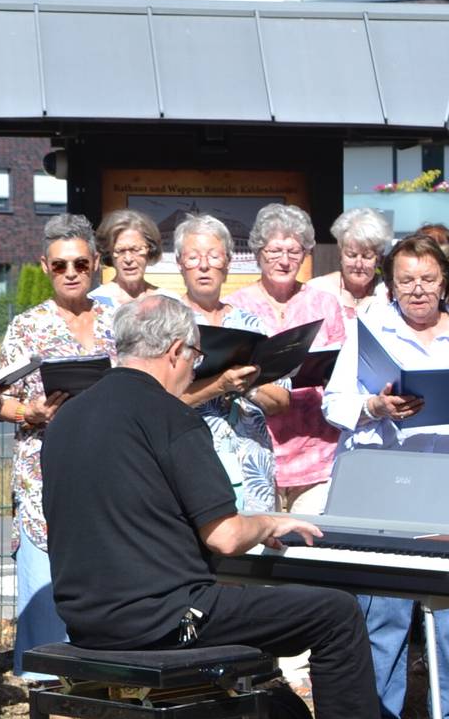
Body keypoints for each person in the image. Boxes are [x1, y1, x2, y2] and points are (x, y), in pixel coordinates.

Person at [41, 295, 429, 719]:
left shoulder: (69, 417)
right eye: (196, 358)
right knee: (336, 615)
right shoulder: (170, 416)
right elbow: (224, 535)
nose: (194, 370)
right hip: (163, 618)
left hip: (87, 620)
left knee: (220, 638)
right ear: (176, 351)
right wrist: (269, 522)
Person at [322, 234, 449, 719]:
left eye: (428, 279)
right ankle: (381, 714)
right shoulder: (370, 332)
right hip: (386, 484)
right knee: (383, 605)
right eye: (405, 280)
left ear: (445, 284)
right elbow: (333, 402)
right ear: (391, 285)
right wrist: (374, 407)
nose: (417, 289)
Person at [0, 214, 116, 679]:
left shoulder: (116, 321)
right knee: (46, 571)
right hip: (44, 467)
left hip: (108, 464)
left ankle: (104, 668)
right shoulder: (27, 327)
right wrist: (30, 413)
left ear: (96, 264)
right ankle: (46, 673)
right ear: (45, 267)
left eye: (80, 264)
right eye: (60, 265)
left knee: (105, 566)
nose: (71, 273)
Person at [225, 203, 343, 513]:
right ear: (258, 252)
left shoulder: (325, 303)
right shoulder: (235, 307)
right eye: (275, 251)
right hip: (256, 454)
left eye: (294, 251)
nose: (285, 260)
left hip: (319, 453)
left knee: (313, 541)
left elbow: (341, 372)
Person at [172, 214, 290, 514]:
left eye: (214, 256)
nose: (204, 265)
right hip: (191, 465)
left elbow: (282, 400)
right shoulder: (166, 323)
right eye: (193, 257)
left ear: (227, 263)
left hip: (253, 471)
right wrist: (219, 385)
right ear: (179, 263)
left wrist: (249, 387)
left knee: (256, 543)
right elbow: (158, 400)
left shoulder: (252, 324)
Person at [305, 207, 393, 329]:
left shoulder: (389, 292)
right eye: (351, 255)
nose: (358, 264)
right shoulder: (317, 290)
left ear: (378, 258)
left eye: (367, 256)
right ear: (340, 254)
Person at [90, 208, 169, 307]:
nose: (128, 259)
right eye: (120, 251)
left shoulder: (168, 303)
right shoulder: (93, 304)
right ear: (108, 252)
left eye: (135, 249)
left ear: (150, 250)